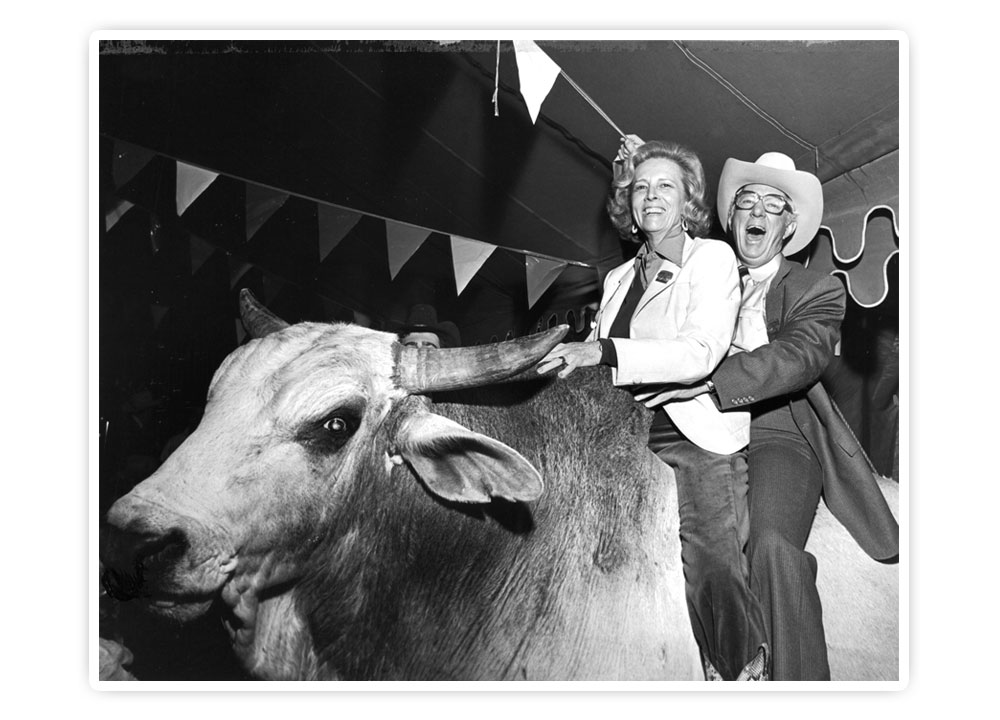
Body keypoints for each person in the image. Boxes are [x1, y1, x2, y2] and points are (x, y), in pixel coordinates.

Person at [637, 152, 899, 680]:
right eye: (746, 202)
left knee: (774, 548)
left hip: (775, 433)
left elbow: (800, 357)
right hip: (690, 432)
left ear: (789, 225)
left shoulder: (815, 289)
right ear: (733, 219)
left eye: (772, 204)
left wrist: (711, 383)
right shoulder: (699, 273)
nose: (757, 211)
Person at [537, 137, 768, 681]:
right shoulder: (617, 278)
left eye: (666, 185)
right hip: (615, 430)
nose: (650, 195)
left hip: (692, 431)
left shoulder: (713, 258)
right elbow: (596, 365)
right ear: (629, 205)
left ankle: (741, 672)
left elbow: (700, 351)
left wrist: (603, 350)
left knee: (712, 559)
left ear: (688, 200)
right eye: (640, 187)